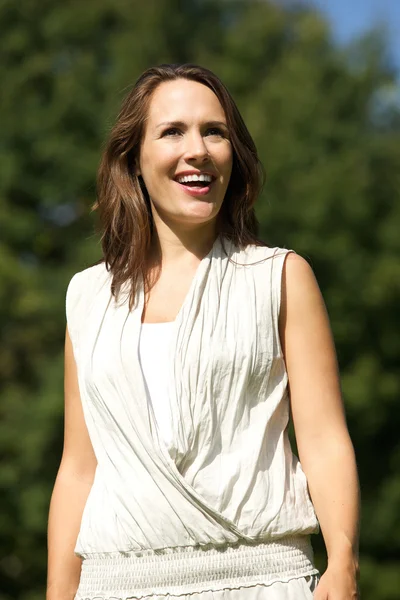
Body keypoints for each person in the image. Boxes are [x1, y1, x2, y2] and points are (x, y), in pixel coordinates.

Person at [46, 63, 360, 600]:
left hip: (265, 579)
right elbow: (79, 466)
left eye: (214, 131)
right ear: (133, 160)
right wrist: (58, 592)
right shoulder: (87, 296)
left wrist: (344, 564)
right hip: (113, 585)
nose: (200, 150)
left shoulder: (279, 277)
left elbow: (323, 437)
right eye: (173, 132)